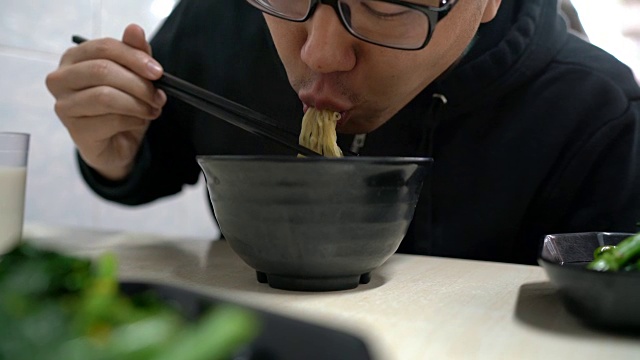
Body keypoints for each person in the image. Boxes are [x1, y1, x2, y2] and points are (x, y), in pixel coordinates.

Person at [45, 0, 640, 265]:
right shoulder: (221, 17)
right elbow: (150, 162)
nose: (322, 53)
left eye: (385, 4)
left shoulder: (595, 111)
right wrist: (113, 151)